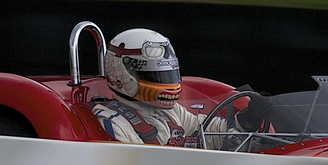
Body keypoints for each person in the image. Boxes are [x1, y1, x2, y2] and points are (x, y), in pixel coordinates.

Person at [92, 28, 274, 148]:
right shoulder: (112, 122)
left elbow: (208, 134)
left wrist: (249, 119)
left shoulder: (170, 111)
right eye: (154, 76)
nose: (165, 83)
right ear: (122, 76)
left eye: (166, 74)